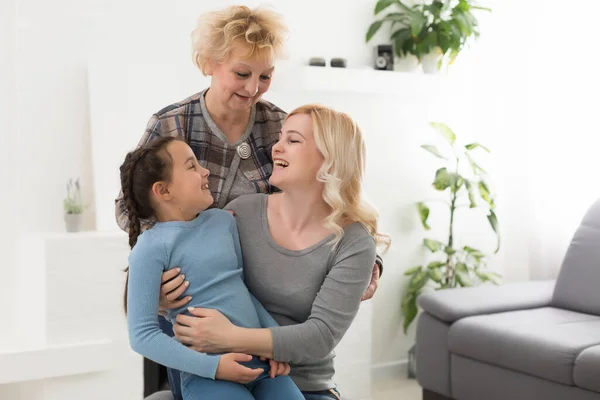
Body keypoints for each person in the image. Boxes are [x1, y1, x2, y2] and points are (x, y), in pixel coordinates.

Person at [114, 5, 383, 398]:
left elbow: (333, 196)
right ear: (208, 63)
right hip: (191, 317)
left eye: (266, 76)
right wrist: (156, 281)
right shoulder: (171, 125)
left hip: (256, 319)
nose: (253, 88)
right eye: (242, 74)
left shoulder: (279, 125)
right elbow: (131, 208)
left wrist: (367, 261)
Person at [165, 105, 391, 400]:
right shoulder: (241, 213)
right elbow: (194, 275)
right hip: (224, 374)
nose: (276, 148)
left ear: (330, 159)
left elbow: (320, 336)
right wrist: (163, 298)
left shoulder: (355, 242)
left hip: (304, 386)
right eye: (280, 138)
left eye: (293, 141)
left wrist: (230, 336)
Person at [120, 136, 305, 400]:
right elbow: (142, 335)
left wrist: (274, 343)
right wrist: (214, 368)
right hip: (208, 376)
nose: (205, 170)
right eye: (191, 166)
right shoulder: (150, 248)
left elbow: (240, 290)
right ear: (163, 191)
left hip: (264, 368)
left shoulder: (223, 223)